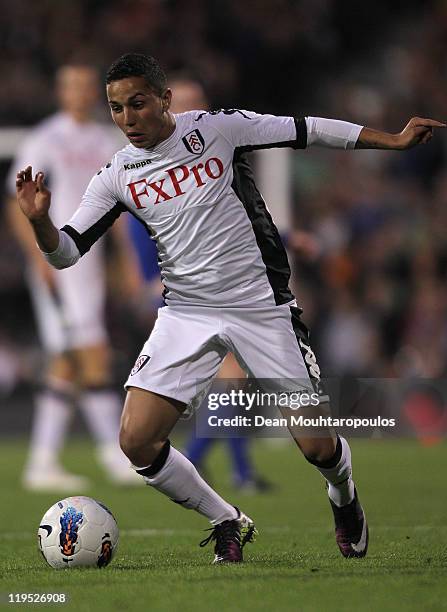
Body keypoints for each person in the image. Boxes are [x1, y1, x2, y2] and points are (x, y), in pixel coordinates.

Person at [15, 53, 445, 563]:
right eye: (116, 109)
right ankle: (227, 520)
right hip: (185, 313)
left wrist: (390, 140)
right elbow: (65, 253)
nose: (128, 119)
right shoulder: (116, 175)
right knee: (135, 441)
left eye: (137, 104)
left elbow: (305, 130)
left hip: (261, 307)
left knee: (317, 448)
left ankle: (343, 494)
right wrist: (40, 222)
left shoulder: (216, 130)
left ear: (164, 100)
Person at [128, 73, 273, 491]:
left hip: (217, 288)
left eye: (201, 105)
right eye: (187, 105)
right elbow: (136, 233)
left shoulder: (214, 160)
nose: (197, 114)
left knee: (230, 379)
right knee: (229, 377)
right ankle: (204, 464)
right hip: (177, 294)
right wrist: (147, 281)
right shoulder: (149, 169)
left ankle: (230, 470)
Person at [7, 64, 140, 491]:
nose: (79, 92)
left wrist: (127, 262)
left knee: (68, 358)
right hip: (58, 263)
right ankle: (112, 452)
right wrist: (39, 258)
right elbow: (17, 202)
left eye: (86, 86)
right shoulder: (46, 137)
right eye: (71, 85)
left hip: (91, 263)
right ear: (60, 91)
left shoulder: (104, 139)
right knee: (91, 350)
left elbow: (116, 205)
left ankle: (42, 461)